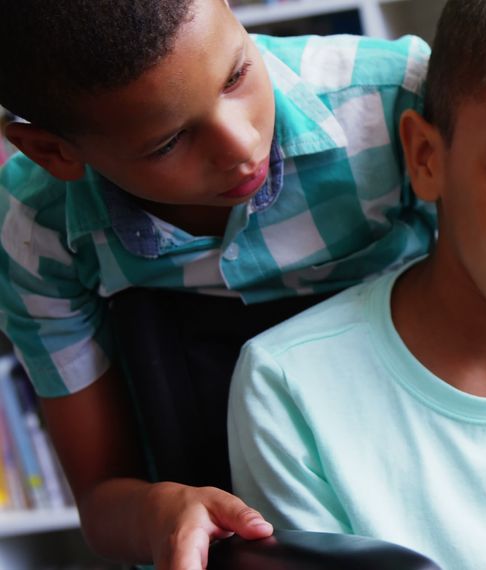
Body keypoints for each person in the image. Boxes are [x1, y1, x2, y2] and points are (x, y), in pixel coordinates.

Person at [0, 1, 433, 567]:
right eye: (167, 142)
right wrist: (158, 514)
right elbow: (105, 503)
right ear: (53, 153)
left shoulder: (397, 98)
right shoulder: (34, 229)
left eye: (235, 77)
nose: (241, 146)